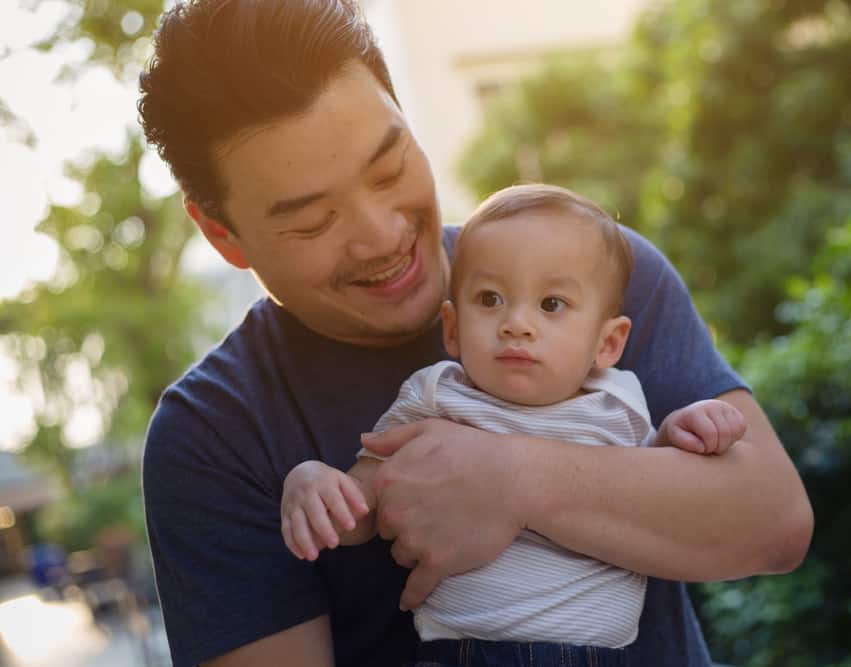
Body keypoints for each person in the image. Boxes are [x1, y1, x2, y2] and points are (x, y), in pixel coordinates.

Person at [137, 1, 814, 665]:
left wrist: (516, 480)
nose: (382, 236)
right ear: (223, 234)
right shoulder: (214, 435)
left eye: (389, 167)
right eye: (313, 221)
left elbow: (775, 522)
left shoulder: (586, 280)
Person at [280, 184, 750, 667]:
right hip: (461, 653)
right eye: (490, 298)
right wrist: (316, 484)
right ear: (453, 328)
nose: (516, 324)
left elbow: (656, 492)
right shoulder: (437, 395)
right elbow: (368, 497)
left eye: (551, 305)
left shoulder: (619, 403)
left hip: (603, 656)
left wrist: (681, 432)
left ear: (607, 343)